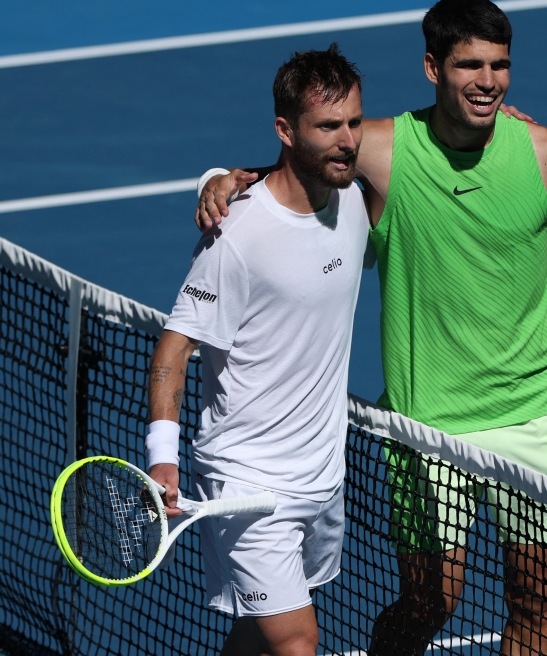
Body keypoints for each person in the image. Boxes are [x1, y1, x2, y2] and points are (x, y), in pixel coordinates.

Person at [197, 0, 547, 656]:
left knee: (534, 604)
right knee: (430, 601)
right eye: (469, 65)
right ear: (433, 68)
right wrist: (221, 178)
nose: (488, 81)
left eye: (499, 65)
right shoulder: (385, 150)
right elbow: (296, 164)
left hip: (538, 416)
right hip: (427, 427)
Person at [146, 44, 369, 656]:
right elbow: (174, 349)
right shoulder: (236, 234)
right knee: (296, 642)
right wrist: (162, 456)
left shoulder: (354, 198)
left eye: (354, 122)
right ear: (285, 130)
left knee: (255, 635)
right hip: (246, 480)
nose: (348, 140)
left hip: (322, 475)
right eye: (328, 126)